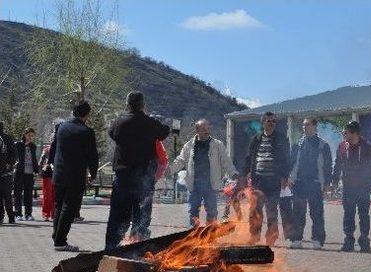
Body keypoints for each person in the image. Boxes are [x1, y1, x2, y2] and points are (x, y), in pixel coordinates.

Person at [105, 91, 170, 249]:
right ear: (143, 105)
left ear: (127, 104)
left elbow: (111, 132)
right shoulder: (149, 122)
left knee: (118, 214)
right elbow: (165, 131)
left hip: (123, 176)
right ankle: (137, 248)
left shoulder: (118, 122)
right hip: (144, 176)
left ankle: (111, 247)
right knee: (141, 213)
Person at [48, 100, 99, 251]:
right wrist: (93, 173)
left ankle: (56, 236)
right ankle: (60, 242)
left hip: (58, 174)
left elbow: (53, 148)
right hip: (75, 176)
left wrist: (52, 164)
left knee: (58, 206)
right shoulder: (87, 132)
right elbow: (92, 156)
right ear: (87, 114)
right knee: (69, 208)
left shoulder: (61, 127)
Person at [169, 119, 238, 225]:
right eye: (204, 129)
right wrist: (169, 170)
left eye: (208, 128)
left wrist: (233, 173)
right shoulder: (189, 145)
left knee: (212, 211)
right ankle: (194, 235)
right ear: (197, 130)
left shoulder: (217, 145)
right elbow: (180, 160)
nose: (207, 131)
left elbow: (226, 161)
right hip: (194, 184)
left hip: (210, 184)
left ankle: (209, 234)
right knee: (193, 212)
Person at [243, 112, 290, 245]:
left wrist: (284, 177)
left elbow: (287, 159)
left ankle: (271, 238)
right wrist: (246, 173)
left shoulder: (281, 138)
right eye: (268, 121)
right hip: (258, 181)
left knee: (271, 211)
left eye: (274, 121)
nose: (271, 123)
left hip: (274, 181)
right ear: (263, 122)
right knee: (255, 210)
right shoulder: (256, 139)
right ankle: (254, 236)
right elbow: (249, 158)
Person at [333, 120, 371, 253]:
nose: (343, 134)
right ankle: (349, 240)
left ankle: (364, 240)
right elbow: (337, 165)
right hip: (348, 187)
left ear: (354, 133)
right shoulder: (342, 146)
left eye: (345, 132)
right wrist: (335, 181)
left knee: (364, 215)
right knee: (348, 214)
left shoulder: (367, 147)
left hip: (363, 187)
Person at [288, 117, 332, 249]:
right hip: (299, 184)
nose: (304, 127)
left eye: (307, 125)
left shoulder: (323, 145)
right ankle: (296, 239)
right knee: (298, 213)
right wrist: (290, 178)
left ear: (314, 126)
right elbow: (292, 163)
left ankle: (317, 240)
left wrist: (327, 182)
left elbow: (328, 166)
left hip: (315, 184)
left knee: (317, 213)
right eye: (303, 125)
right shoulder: (298, 144)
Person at [14, 128, 39, 221]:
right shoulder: (18, 144)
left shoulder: (33, 146)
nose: (31, 137)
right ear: (24, 134)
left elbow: (34, 159)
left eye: (32, 136)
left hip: (29, 173)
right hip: (19, 172)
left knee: (28, 194)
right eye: (29, 135)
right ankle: (18, 214)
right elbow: (14, 156)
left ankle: (28, 214)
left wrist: (36, 171)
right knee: (18, 194)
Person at [0, 122, 16, 224]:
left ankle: (10, 216)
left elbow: (14, 154)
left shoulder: (7, 138)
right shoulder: (8, 138)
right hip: (6, 172)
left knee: (6, 195)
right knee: (5, 195)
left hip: (6, 173)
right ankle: (3, 217)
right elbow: (14, 154)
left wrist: (9, 164)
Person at [39, 144, 55, 221]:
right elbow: (40, 162)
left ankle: (54, 214)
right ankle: (46, 214)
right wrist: (41, 170)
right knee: (47, 195)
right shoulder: (46, 150)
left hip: (58, 175)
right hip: (47, 175)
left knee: (55, 196)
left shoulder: (62, 148)